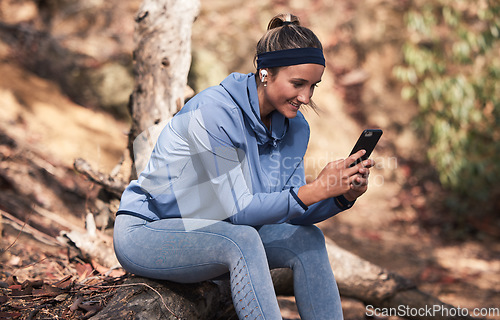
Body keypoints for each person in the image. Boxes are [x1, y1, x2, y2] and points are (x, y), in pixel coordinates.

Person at [113, 13, 374, 320]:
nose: (305, 97)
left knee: (308, 239)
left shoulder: (295, 127)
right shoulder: (215, 112)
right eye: (297, 83)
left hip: (217, 232)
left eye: (313, 86)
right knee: (242, 238)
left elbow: (292, 207)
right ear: (265, 73)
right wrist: (315, 188)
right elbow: (238, 210)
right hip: (148, 231)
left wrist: (341, 195)